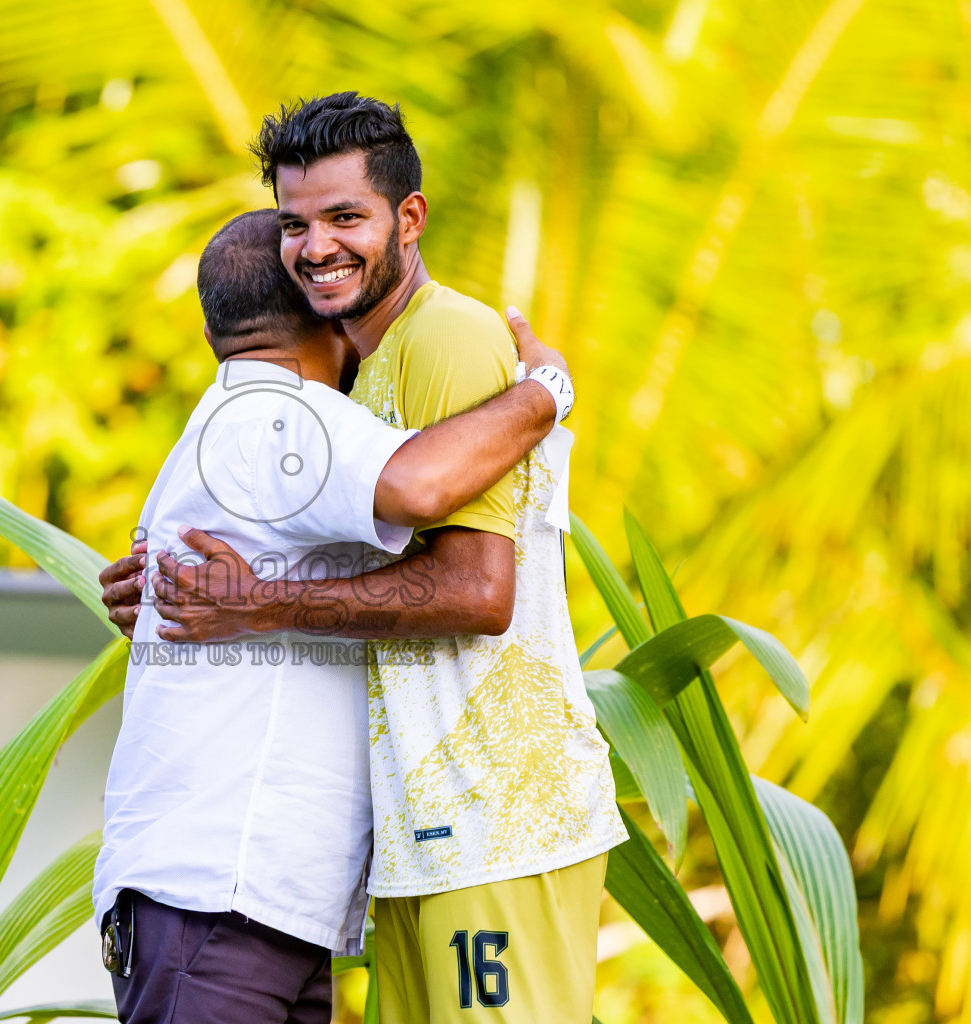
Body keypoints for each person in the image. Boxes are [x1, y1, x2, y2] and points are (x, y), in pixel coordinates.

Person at [132, 94, 627, 1024]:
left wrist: (259, 601)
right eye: (295, 224)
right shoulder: (350, 374)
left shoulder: (447, 335)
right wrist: (158, 576)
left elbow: (479, 590)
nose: (315, 246)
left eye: (345, 217)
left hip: (500, 817)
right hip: (418, 837)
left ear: (409, 218)